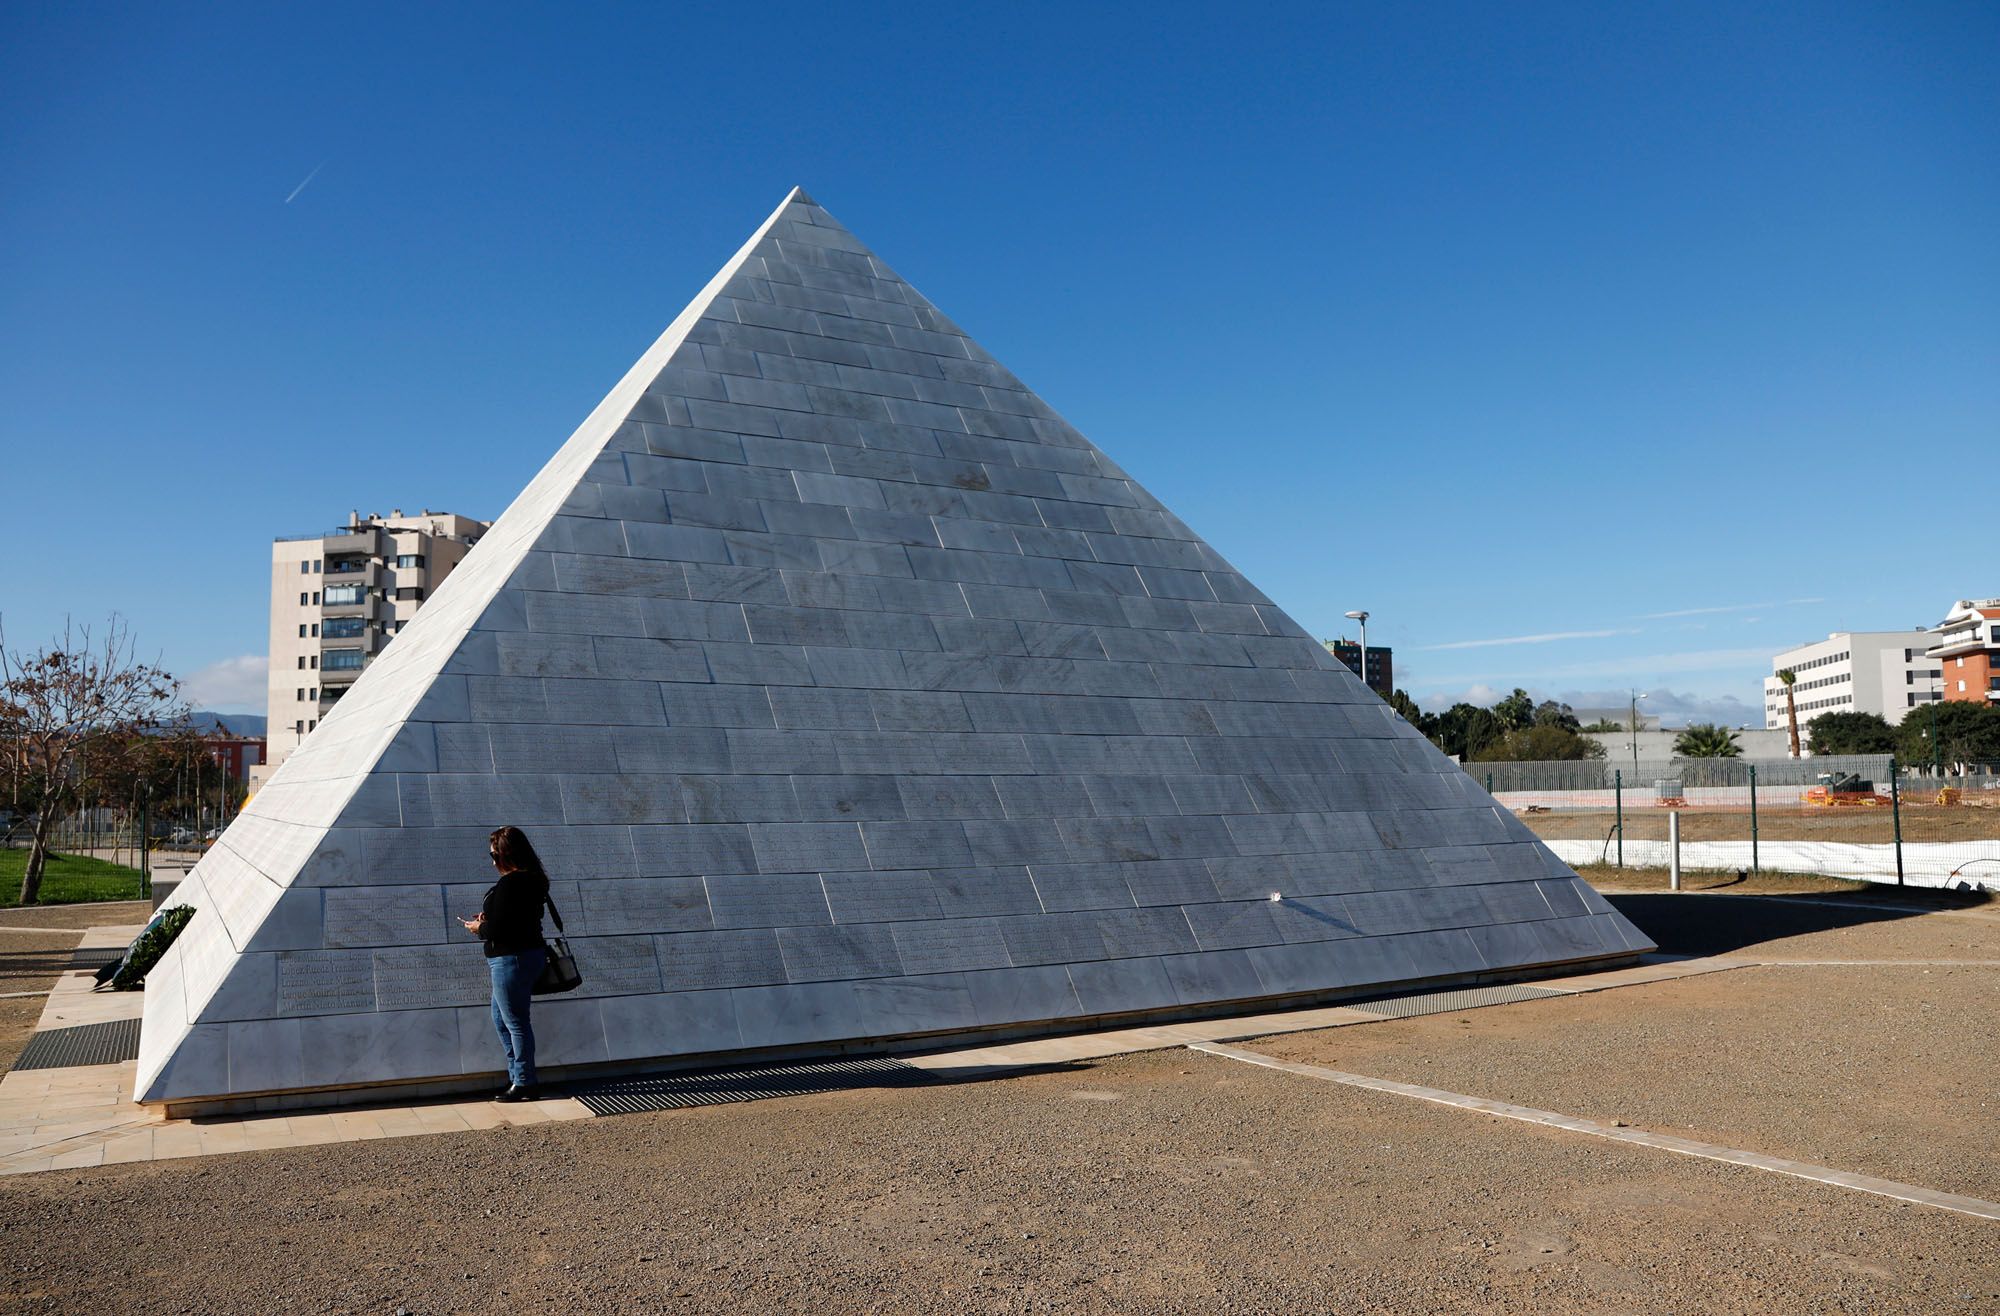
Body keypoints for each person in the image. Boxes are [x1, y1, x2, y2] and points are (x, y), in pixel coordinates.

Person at [461, 825, 550, 1102]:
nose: (491, 860)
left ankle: (524, 1081)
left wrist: (479, 927)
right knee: (503, 1020)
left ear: (505, 854)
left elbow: (501, 929)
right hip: (525, 955)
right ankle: (518, 1076)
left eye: (493, 853)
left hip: (511, 958)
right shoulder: (535, 880)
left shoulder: (511, 883)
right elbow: (518, 920)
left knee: (515, 1022)